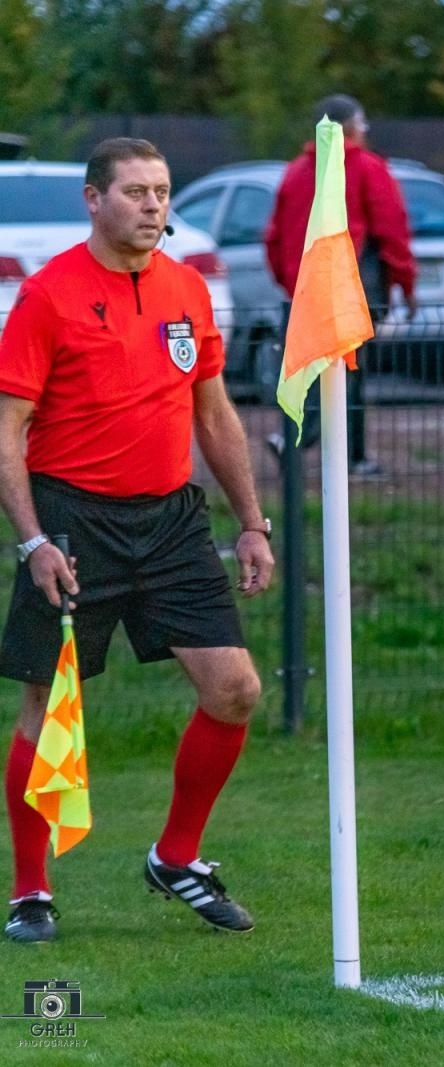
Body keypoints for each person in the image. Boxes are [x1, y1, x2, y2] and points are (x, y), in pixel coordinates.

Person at [0, 138, 276, 943]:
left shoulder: (189, 286)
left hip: (172, 521)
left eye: (162, 192)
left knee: (235, 689)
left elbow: (216, 414)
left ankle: (175, 857)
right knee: (50, 711)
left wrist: (251, 522)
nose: (154, 206)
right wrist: (32, 541)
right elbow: (8, 431)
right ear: (94, 200)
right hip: (72, 523)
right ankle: (30, 891)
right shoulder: (47, 296)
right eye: (136, 193)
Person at [263, 92, 417, 477]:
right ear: (350, 128)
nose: (365, 132)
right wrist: (405, 284)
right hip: (354, 290)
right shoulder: (367, 167)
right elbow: (392, 229)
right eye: (363, 124)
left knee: (315, 367)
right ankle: (313, 443)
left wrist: (290, 284)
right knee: (349, 372)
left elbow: (274, 236)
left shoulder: (296, 172)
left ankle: (317, 444)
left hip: (305, 289)